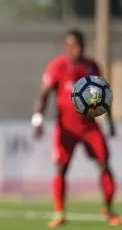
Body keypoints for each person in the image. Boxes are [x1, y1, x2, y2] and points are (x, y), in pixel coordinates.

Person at [32, 29, 120, 228]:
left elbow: (103, 95)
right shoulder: (58, 66)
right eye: (73, 45)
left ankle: (108, 208)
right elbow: (43, 95)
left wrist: (110, 123)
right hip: (66, 128)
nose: (77, 49)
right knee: (61, 168)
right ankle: (59, 212)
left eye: (80, 45)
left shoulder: (92, 66)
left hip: (89, 126)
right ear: (66, 46)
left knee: (104, 163)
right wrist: (38, 120)